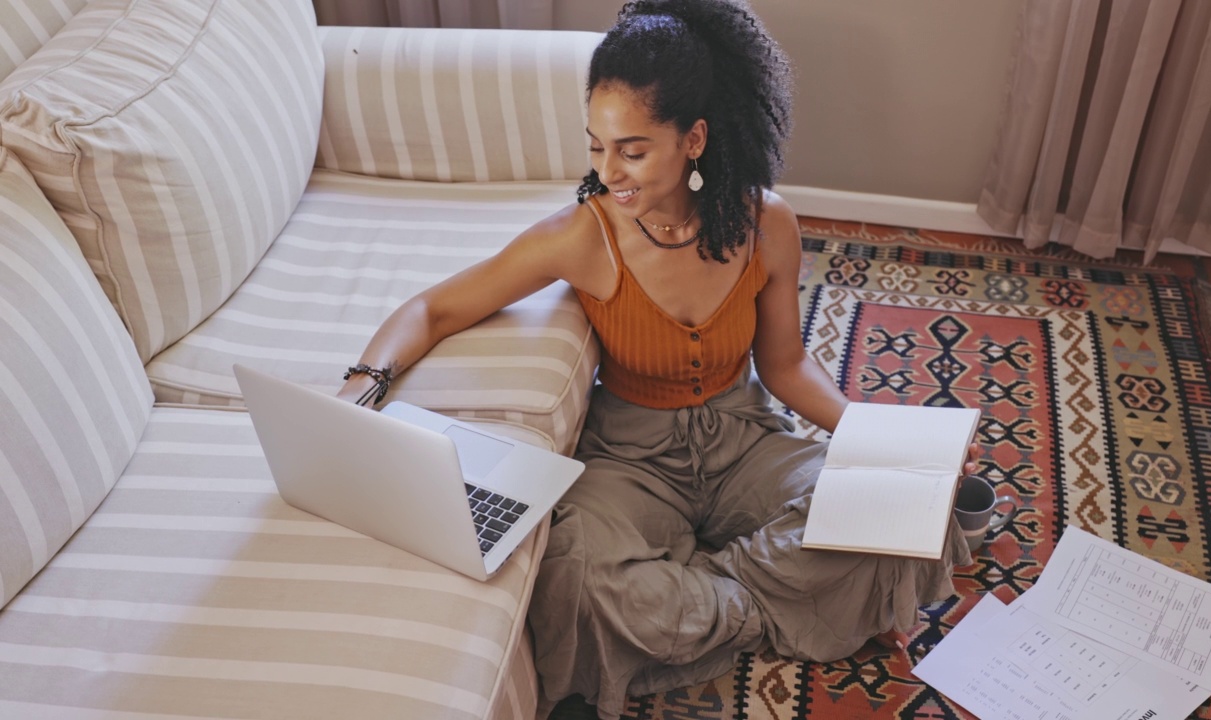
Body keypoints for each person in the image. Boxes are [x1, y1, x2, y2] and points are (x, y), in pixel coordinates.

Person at [339, 1, 976, 717]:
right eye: (596, 147)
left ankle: (691, 595)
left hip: (743, 438)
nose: (609, 172)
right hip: (631, 458)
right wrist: (364, 386)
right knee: (571, 576)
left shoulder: (768, 223)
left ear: (694, 139)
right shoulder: (580, 237)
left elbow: (788, 367)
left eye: (632, 150)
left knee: (906, 512)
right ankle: (760, 598)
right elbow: (434, 308)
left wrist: (888, 443)